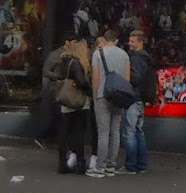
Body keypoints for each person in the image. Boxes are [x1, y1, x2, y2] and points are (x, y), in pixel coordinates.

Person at [46, 31, 91, 174]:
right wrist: (90, 90)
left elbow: (56, 75)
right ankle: (80, 163)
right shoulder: (76, 63)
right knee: (79, 131)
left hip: (65, 99)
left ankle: (62, 163)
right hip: (77, 99)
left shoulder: (64, 60)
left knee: (65, 131)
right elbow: (81, 82)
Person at [90, 29, 131, 178]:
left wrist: (95, 97)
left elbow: (96, 77)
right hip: (119, 97)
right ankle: (110, 166)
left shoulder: (97, 54)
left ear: (105, 39)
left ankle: (99, 167)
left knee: (103, 132)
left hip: (102, 95)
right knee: (115, 132)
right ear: (116, 40)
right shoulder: (125, 55)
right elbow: (127, 79)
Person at [124, 28, 155, 175]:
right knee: (138, 131)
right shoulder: (146, 58)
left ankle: (131, 165)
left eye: (132, 41)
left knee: (130, 132)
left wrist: (125, 74)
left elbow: (135, 78)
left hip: (133, 97)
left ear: (140, 42)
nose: (129, 44)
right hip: (141, 99)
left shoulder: (136, 58)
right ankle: (141, 165)